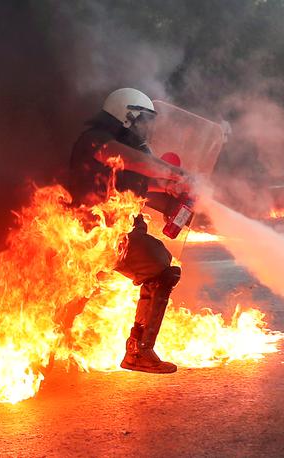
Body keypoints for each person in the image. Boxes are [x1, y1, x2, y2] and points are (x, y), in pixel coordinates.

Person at [68, 88, 193, 374]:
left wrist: (175, 191)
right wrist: (174, 174)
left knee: (159, 268)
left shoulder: (133, 154)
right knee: (157, 268)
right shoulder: (96, 141)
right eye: (143, 121)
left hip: (117, 233)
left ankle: (138, 352)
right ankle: (136, 353)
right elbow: (128, 160)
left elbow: (140, 187)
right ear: (127, 117)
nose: (146, 129)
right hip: (90, 232)